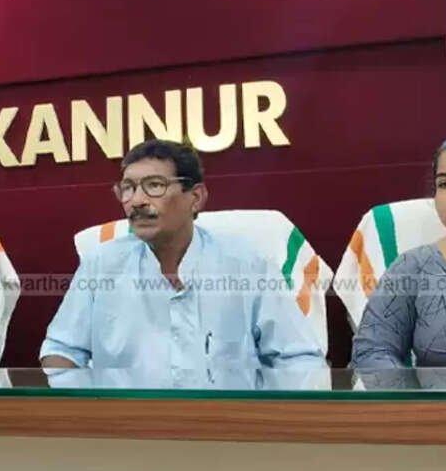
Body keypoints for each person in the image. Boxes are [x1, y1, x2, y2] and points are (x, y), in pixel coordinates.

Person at [40, 139, 325, 369]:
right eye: (128, 188)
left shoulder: (247, 264)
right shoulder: (100, 265)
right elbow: (61, 350)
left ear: (196, 197)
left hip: (228, 430)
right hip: (126, 430)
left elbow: (298, 357)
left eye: (154, 186)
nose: (136, 201)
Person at [352, 129, 446, 367]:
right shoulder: (414, 267)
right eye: (445, 183)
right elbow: (373, 352)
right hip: (438, 405)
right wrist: (411, 403)